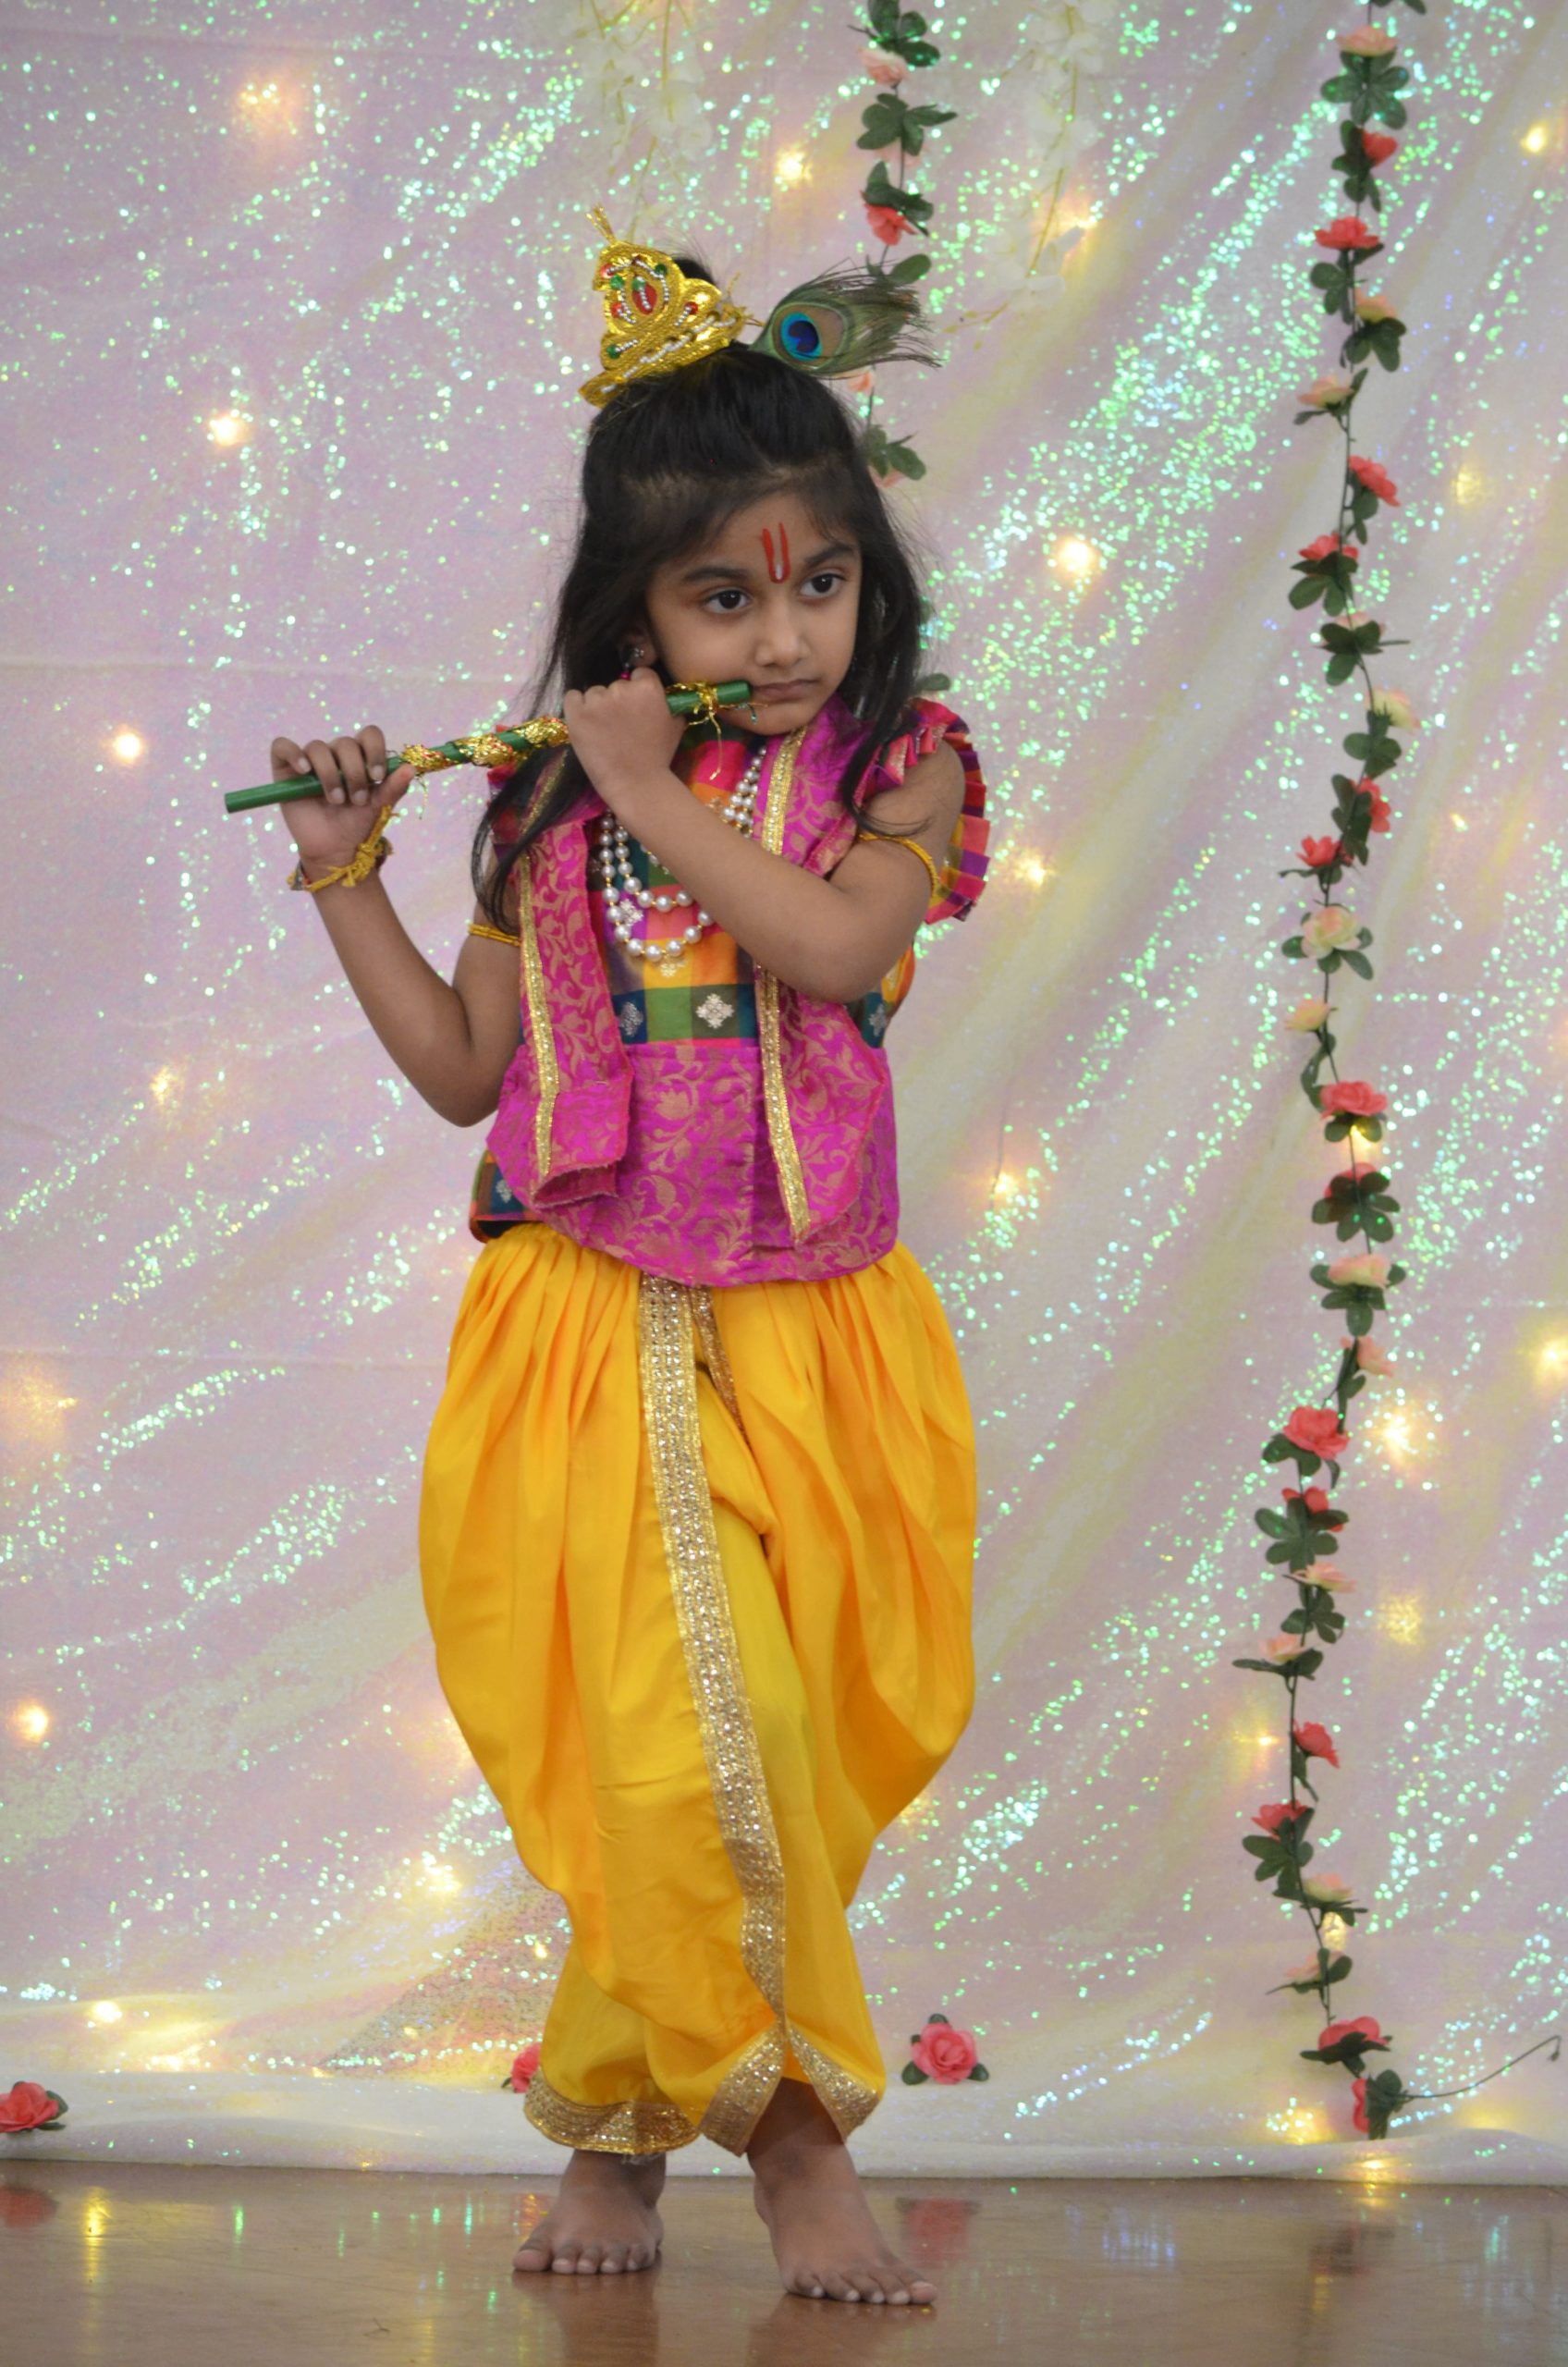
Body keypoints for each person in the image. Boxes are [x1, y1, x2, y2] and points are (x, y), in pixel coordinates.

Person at [266, 215, 990, 2308]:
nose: (788, 632)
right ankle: (793, 2138)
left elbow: (830, 949)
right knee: (669, 1731)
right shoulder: (543, 816)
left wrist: (644, 781)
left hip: (813, 1324)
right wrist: (345, 874)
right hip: (588, 1323)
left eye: (820, 580)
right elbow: (458, 1072)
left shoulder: (903, 768)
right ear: (631, 608)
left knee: (782, 1749)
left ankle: (610, 2114)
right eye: (723, 595)